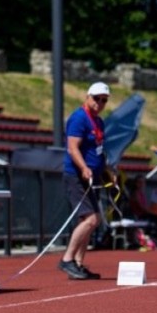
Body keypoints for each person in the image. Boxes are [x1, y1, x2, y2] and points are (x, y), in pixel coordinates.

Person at [58, 81, 111, 280]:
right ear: (87, 97)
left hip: (92, 177)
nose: (100, 103)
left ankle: (78, 263)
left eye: (104, 100)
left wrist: (106, 169)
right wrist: (84, 167)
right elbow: (72, 147)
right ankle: (67, 259)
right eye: (96, 98)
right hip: (76, 176)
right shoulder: (79, 118)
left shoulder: (99, 121)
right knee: (91, 219)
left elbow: (97, 150)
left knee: (87, 220)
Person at [125, 175, 157, 246]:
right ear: (136, 183)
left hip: (143, 214)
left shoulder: (141, 193)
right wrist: (154, 213)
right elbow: (142, 208)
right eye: (140, 182)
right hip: (139, 216)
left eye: (143, 182)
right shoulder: (136, 194)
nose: (142, 184)